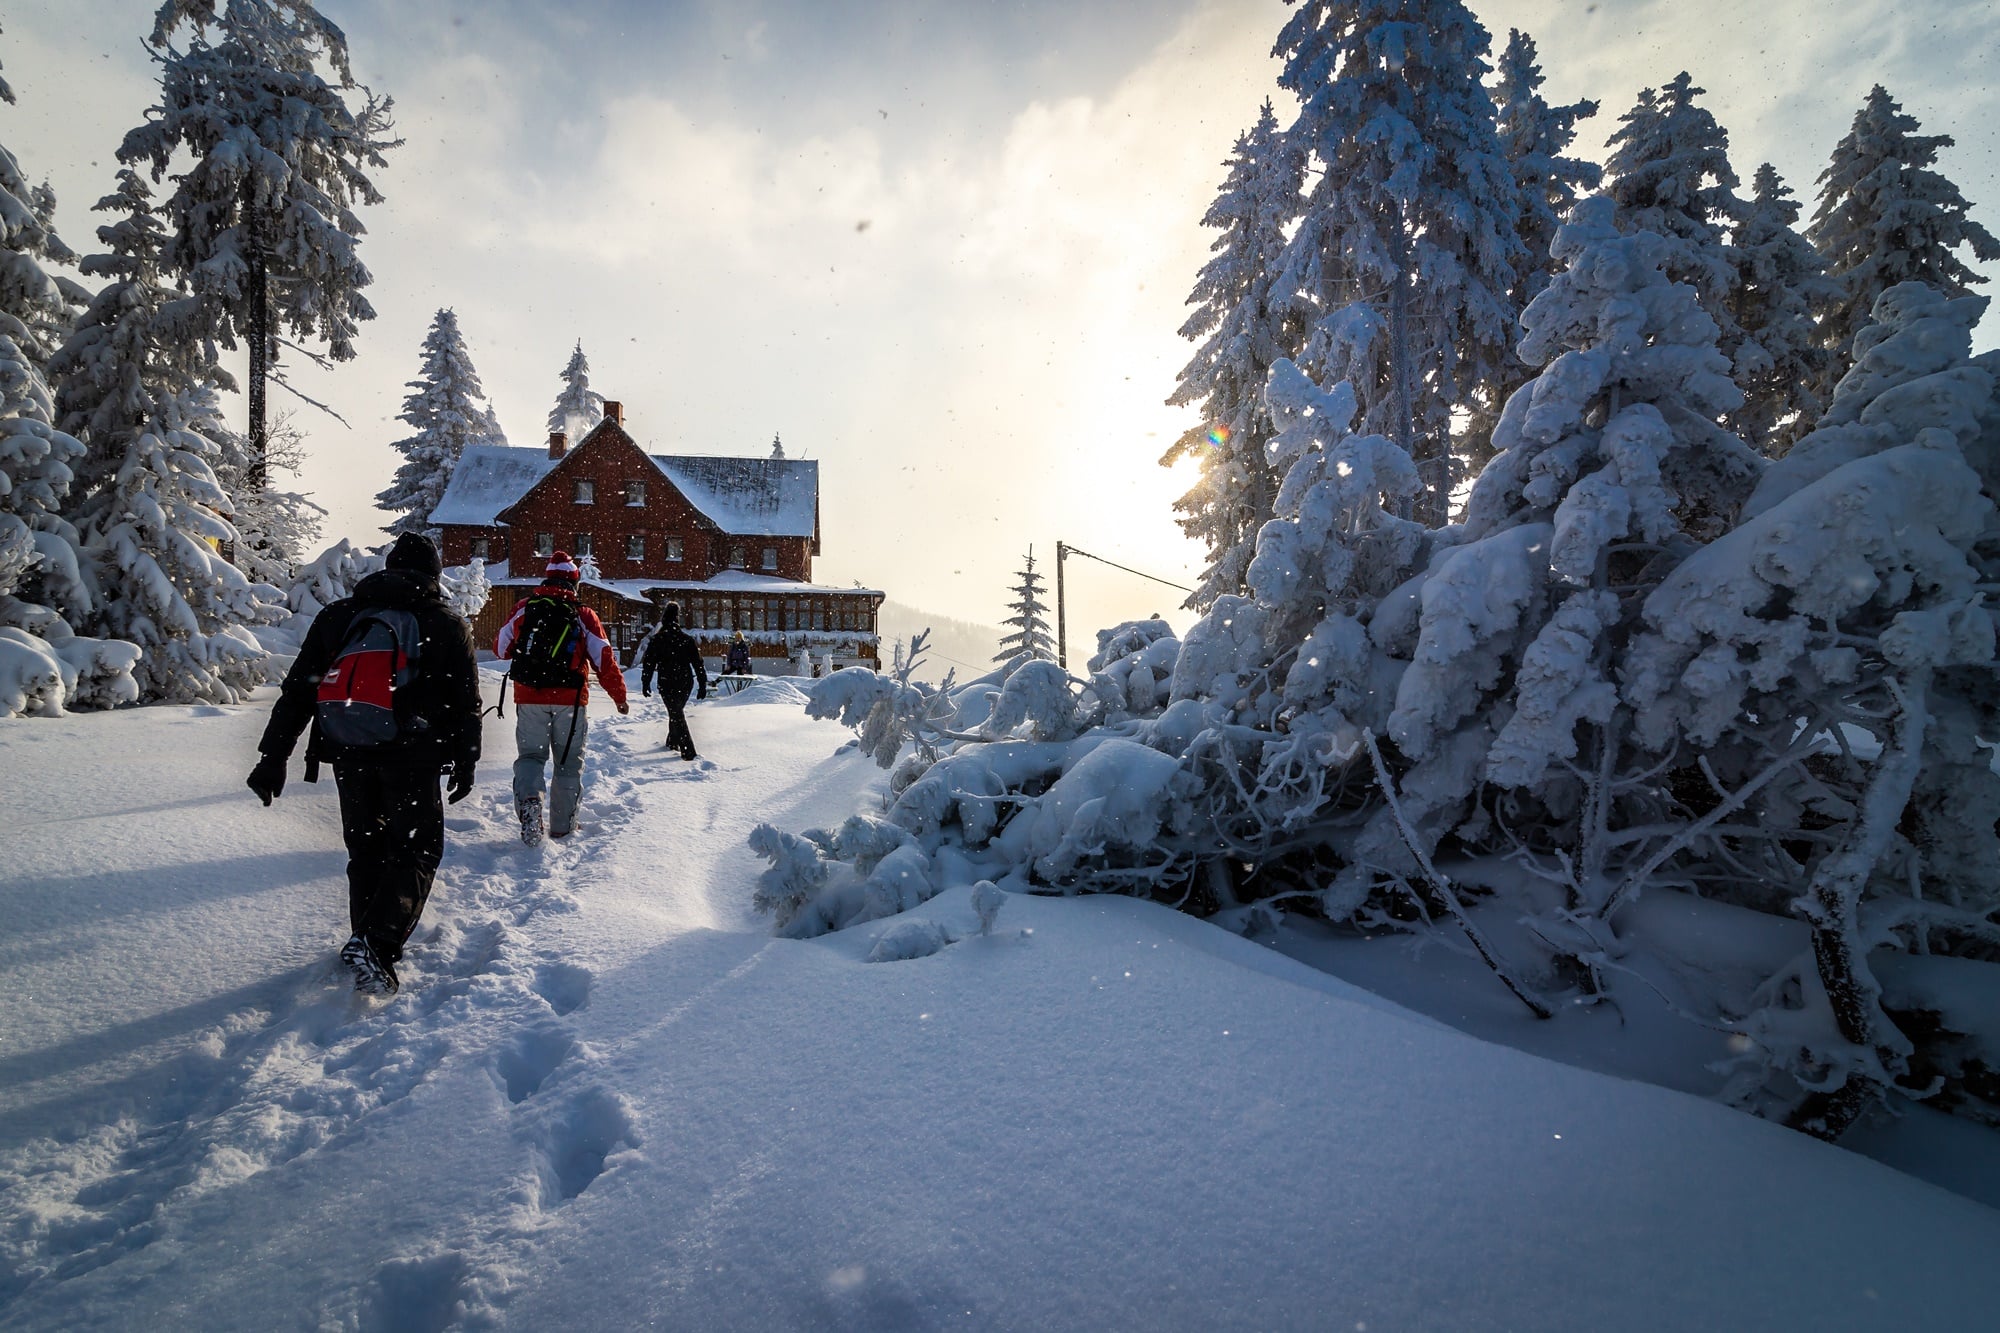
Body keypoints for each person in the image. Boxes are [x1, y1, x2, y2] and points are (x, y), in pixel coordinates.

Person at [247, 532, 481, 995]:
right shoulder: (443, 621)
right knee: (416, 849)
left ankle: (365, 938)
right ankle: (377, 943)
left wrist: (273, 757)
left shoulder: (340, 616)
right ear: (433, 575)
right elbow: (465, 701)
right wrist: (466, 760)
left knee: (367, 849)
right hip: (412, 754)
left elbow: (300, 689)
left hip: (348, 749)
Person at [496, 551, 628, 843]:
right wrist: (619, 696)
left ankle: (530, 800)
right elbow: (604, 660)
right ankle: (562, 827)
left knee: (531, 757)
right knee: (567, 764)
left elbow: (500, 648)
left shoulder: (524, 608)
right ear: (574, 583)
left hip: (529, 697)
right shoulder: (583, 615)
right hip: (570, 699)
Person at [640, 601, 708, 758]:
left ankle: (688, 751)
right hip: (685, 681)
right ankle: (672, 742)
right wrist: (702, 683)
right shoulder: (686, 639)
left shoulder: (658, 640)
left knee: (676, 712)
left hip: (666, 681)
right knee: (676, 711)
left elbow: (649, 663)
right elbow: (698, 663)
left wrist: (646, 682)